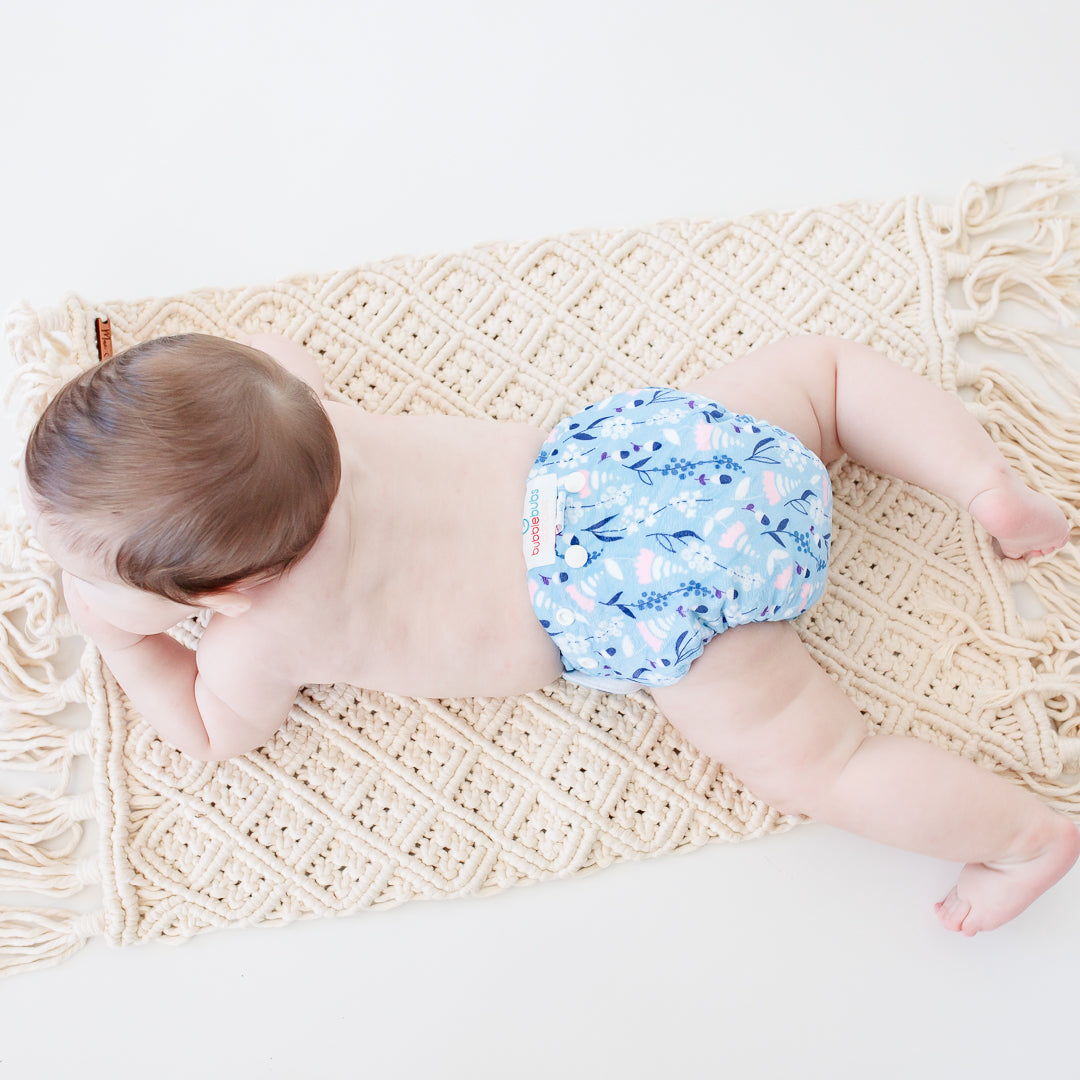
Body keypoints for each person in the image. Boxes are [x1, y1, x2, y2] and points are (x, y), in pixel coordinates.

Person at [18, 331, 1079, 936]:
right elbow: (258, 372)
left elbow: (214, 737)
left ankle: (1025, 838)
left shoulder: (258, 641)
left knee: (826, 763)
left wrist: (122, 641)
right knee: (826, 376)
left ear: (227, 596)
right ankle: (986, 484)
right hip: (646, 457)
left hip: (636, 599)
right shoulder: (308, 418)